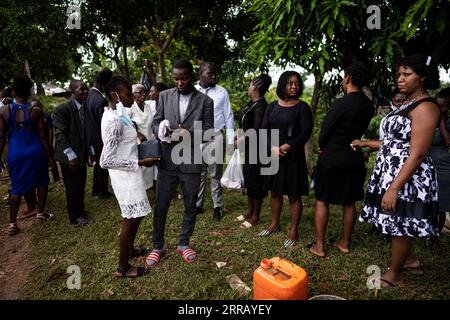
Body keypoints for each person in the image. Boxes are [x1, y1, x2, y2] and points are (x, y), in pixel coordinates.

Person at [359, 54, 441, 288]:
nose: (400, 79)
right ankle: (410, 260)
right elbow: (396, 142)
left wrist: (394, 187)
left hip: (408, 177)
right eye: (399, 75)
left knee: (400, 223)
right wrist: (368, 144)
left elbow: (417, 153)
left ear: (422, 77)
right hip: (393, 171)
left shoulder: (425, 107)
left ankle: (394, 276)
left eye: (407, 74)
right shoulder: (407, 103)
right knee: (398, 222)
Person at [146, 58, 214, 268]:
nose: (179, 83)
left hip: (192, 162)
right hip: (167, 161)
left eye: (183, 79)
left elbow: (209, 131)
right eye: (176, 79)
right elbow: (156, 121)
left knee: (190, 205)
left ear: (191, 77)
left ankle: (184, 243)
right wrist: (161, 127)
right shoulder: (164, 96)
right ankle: (157, 246)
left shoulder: (205, 101)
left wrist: (187, 133)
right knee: (161, 205)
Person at [308, 62, 375, 258]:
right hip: (354, 155)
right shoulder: (368, 105)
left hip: (333, 156)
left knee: (322, 200)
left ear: (347, 78)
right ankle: (344, 243)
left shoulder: (341, 103)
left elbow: (325, 131)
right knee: (349, 202)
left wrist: (323, 146)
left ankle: (319, 246)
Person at [100, 76, 159, 278]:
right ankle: (123, 267)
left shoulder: (118, 113)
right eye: (127, 94)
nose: (132, 99)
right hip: (126, 177)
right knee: (131, 218)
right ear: (115, 95)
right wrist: (138, 163)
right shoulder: (115, 121)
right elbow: (105, 160)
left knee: (137, 215)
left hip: (130, 174)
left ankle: (130, 249)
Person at [259, 71, 313, 247]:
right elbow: (264, 130)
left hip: (293, 157)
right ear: (283, 85)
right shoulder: (273, 106)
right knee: (274, 192)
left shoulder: (302, 107)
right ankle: (274, 224)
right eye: (290, 83)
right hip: (274, 154)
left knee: (293, 194)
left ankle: (293, 231)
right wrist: (272, 148)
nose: (293, 86)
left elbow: (305, 133)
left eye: (296, 83)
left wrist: (287, 146)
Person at [0, 75, 55, 235]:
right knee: (42, 181)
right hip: (36, 151)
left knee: (16, 187)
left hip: (16, 153)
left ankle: (12, 223)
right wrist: (50, 156)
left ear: (14, 91)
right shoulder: (35, 111)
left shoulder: (4, 111)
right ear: (29, 90)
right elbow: (43, 136)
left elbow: (2, 137)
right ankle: (40, 212)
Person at [53, 80, 96, 225]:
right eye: (81, 89)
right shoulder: (62, 109)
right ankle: (75, 217)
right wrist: (71, 157)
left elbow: (88, 133)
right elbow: (60, 135)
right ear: (72, 91)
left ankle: (80, 210)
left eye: (86, 89)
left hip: (82, 154)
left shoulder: (85, 108)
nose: (85, 92)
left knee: (81, 183)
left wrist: (91, 152)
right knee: (72, 186)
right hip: (68, 157)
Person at [195, 62, 234, 221]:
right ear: (201, 75)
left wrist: (230, 141)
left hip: (216, 136)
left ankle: (217, 205)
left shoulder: (221, 92)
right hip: (196, 136)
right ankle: (198, 205)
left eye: (215, 73)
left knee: (215, 174)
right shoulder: (193, 91)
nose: (214, 76)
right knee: (199, 173)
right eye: (210, 74)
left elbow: (228, 116)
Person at [235, 74, 272, 229]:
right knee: (249, 178)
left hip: (258, 150)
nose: (248, 87)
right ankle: (250, 210)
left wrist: (241, 140)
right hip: (249, 148)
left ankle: (256, 215)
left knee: (256, 181)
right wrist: (238, 136)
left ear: (256, 87)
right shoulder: (251, 104)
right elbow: (244, 125)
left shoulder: (261, 106)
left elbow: (257, 131)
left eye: (250, 85)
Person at [86, 68, 113, 198]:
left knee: (97, 165)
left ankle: (95, 189)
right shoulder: (100, 99)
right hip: (99, 137)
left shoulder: (89, 95)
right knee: (103, 165)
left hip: (91, 137)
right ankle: (102, 191)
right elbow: (105, 122)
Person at [129, 84, 157, 189]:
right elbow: (127, 123)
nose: (143, 94)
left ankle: (150, 186)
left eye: (144, 92)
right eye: (139, 93)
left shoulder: (148, 106)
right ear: (133, 95)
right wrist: (138, 134)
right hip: (138, 142)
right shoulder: (131, 108)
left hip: (150, 139)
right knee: (141, 166)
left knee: (150, 165)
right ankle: (140, 188)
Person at [430, 88, 450, 232]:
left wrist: (441, 118)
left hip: (442, 166)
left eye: (443, 106)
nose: (439, 109)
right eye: (437, 105)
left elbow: (448, 141)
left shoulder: (447, 122)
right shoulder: (428, 118)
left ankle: (434, 237)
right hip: (425, 164)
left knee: (440, 205)